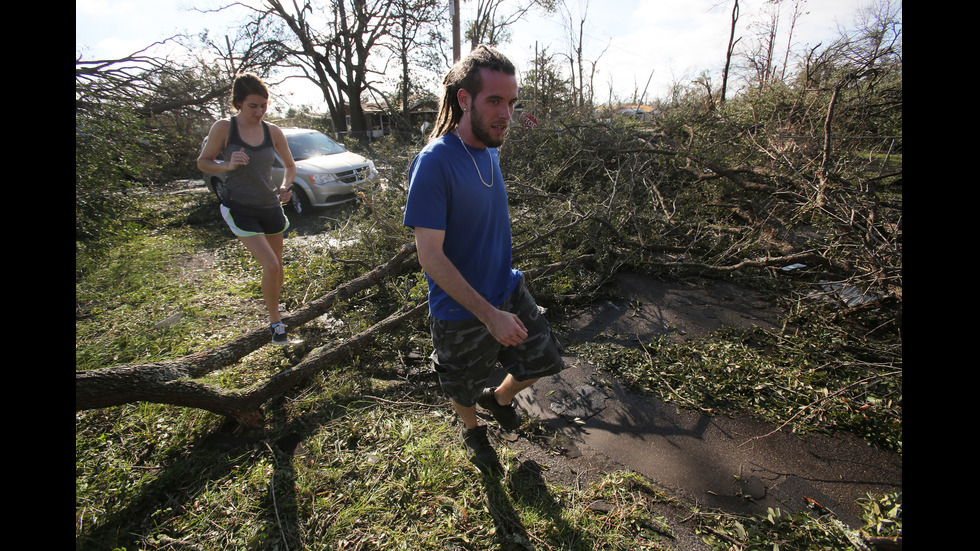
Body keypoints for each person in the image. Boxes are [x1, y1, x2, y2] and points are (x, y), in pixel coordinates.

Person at [403, 46, 566, 474]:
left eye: (511, 102)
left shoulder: (491, 149)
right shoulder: (434, 163)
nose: (506, 113)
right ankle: (473, 430)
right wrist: (490, 316)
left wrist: (502, 306)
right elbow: (430, 257)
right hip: (461, 310)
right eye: (495, 100)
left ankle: (499, 399)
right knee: (461, 384)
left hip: (507, 288)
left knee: (544, 359)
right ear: (463, 99)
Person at [197, 74, 297, 345]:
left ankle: (275, 306)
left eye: (264, 105)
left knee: (278, 268)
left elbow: (290, 166)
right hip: (240, 207)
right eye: (253, 106)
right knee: (271, 264)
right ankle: (276, 323)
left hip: (270, 206)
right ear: (238, 103)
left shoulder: (272, 131)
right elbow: (204, 162)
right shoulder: (224, 128)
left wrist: (285, 187)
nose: (259, 112)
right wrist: (227, 164)